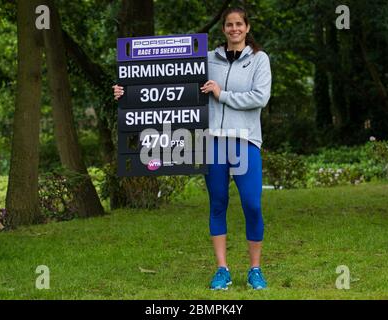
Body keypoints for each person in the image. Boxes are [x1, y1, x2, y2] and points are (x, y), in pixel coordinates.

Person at [113, 6, 271, 290]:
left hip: (244, 140)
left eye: (239, 25)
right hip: (211, 142)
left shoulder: (259, 60)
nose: (234, 29)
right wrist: (128, 91)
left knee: (252, 204)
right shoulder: (208, 60)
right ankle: (222, 270)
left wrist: (221, 94)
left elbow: (259, 97)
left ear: (247, 28)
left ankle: (255, 269)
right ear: (223, 29)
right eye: (229, 25)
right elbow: (167, 80)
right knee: (218, 203)